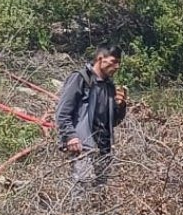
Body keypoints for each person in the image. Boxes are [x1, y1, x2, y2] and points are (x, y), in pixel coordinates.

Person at [55, 44, 128, 197]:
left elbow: (112, 122)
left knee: (99, 193)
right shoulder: (81, 78)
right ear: (100, 59)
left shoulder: (109, 87)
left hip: (103, 148)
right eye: (113, 61)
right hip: (83, 146)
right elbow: (62, 112)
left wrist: (120, 106)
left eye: (119, 62)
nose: (117, 66)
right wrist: (71, 136)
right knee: (82, 190)